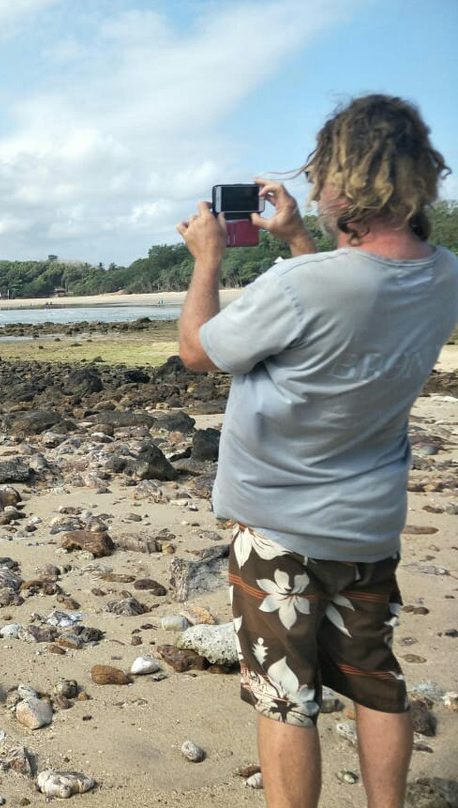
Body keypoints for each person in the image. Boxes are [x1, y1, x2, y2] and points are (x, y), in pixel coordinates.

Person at [175, 94, 458, 808]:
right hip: (367, 522)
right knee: (376, 681)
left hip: (279, 529)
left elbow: (198, 352)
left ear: (342, 181)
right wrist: (302, 234)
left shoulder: (304, 286)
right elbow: (353, 305)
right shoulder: (442, 275)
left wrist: (207, 258)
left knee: (285, 698)